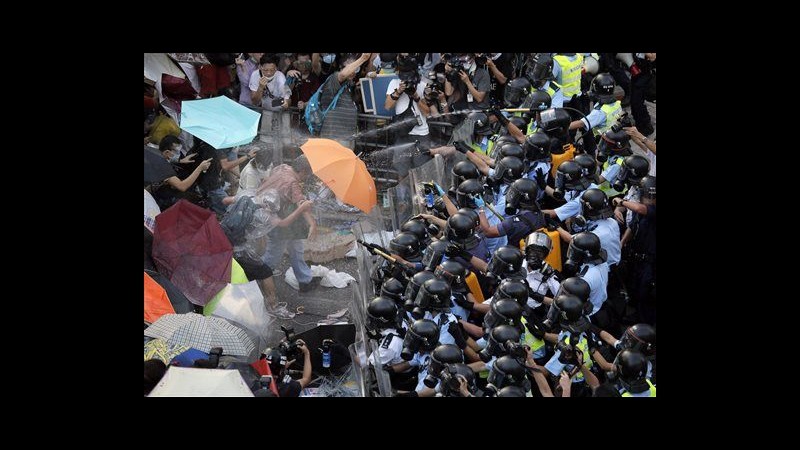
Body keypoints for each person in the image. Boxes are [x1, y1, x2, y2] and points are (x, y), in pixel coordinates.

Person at [258, 155, 319, 293]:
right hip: (277, 220)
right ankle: (255, 277)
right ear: (303, 171)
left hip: (277, 214)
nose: (307, 177)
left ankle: (305, 280)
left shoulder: (282, 168)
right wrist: (312, 224)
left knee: (296, 248)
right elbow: (301, 205)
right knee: (273, 255)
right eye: (307, 173)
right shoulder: (293, 183)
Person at [614, 176, 656, 325]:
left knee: (646, 294)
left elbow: (639, 209)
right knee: (635, 290)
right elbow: (633, 226)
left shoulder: (649, 210)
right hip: (636, 259)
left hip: (650, 263)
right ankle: (637, 318)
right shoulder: (642, 209)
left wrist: (621, 202)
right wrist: (622, 242)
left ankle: (647, 326)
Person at [318, 53, 371, 149]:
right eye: (350, 68)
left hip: (348, 137)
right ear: (341, 67)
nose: (353, 72)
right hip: (334, 137)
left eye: (356, 69)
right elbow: (342, 75)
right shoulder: (333, 79)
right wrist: (363, 58)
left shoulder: (350, 85)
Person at [568, 73, 623, 156]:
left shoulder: (600, 112)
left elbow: (581, 123)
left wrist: (564, 126)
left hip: (605, 146)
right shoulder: (616, 104)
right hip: (615, 142)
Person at [629, 53, 656, 137]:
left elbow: (653, 57)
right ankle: (639, 124)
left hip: (645, 75)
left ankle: (646, 128)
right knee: (634, 101)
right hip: (636, 74)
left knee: (637, 102)